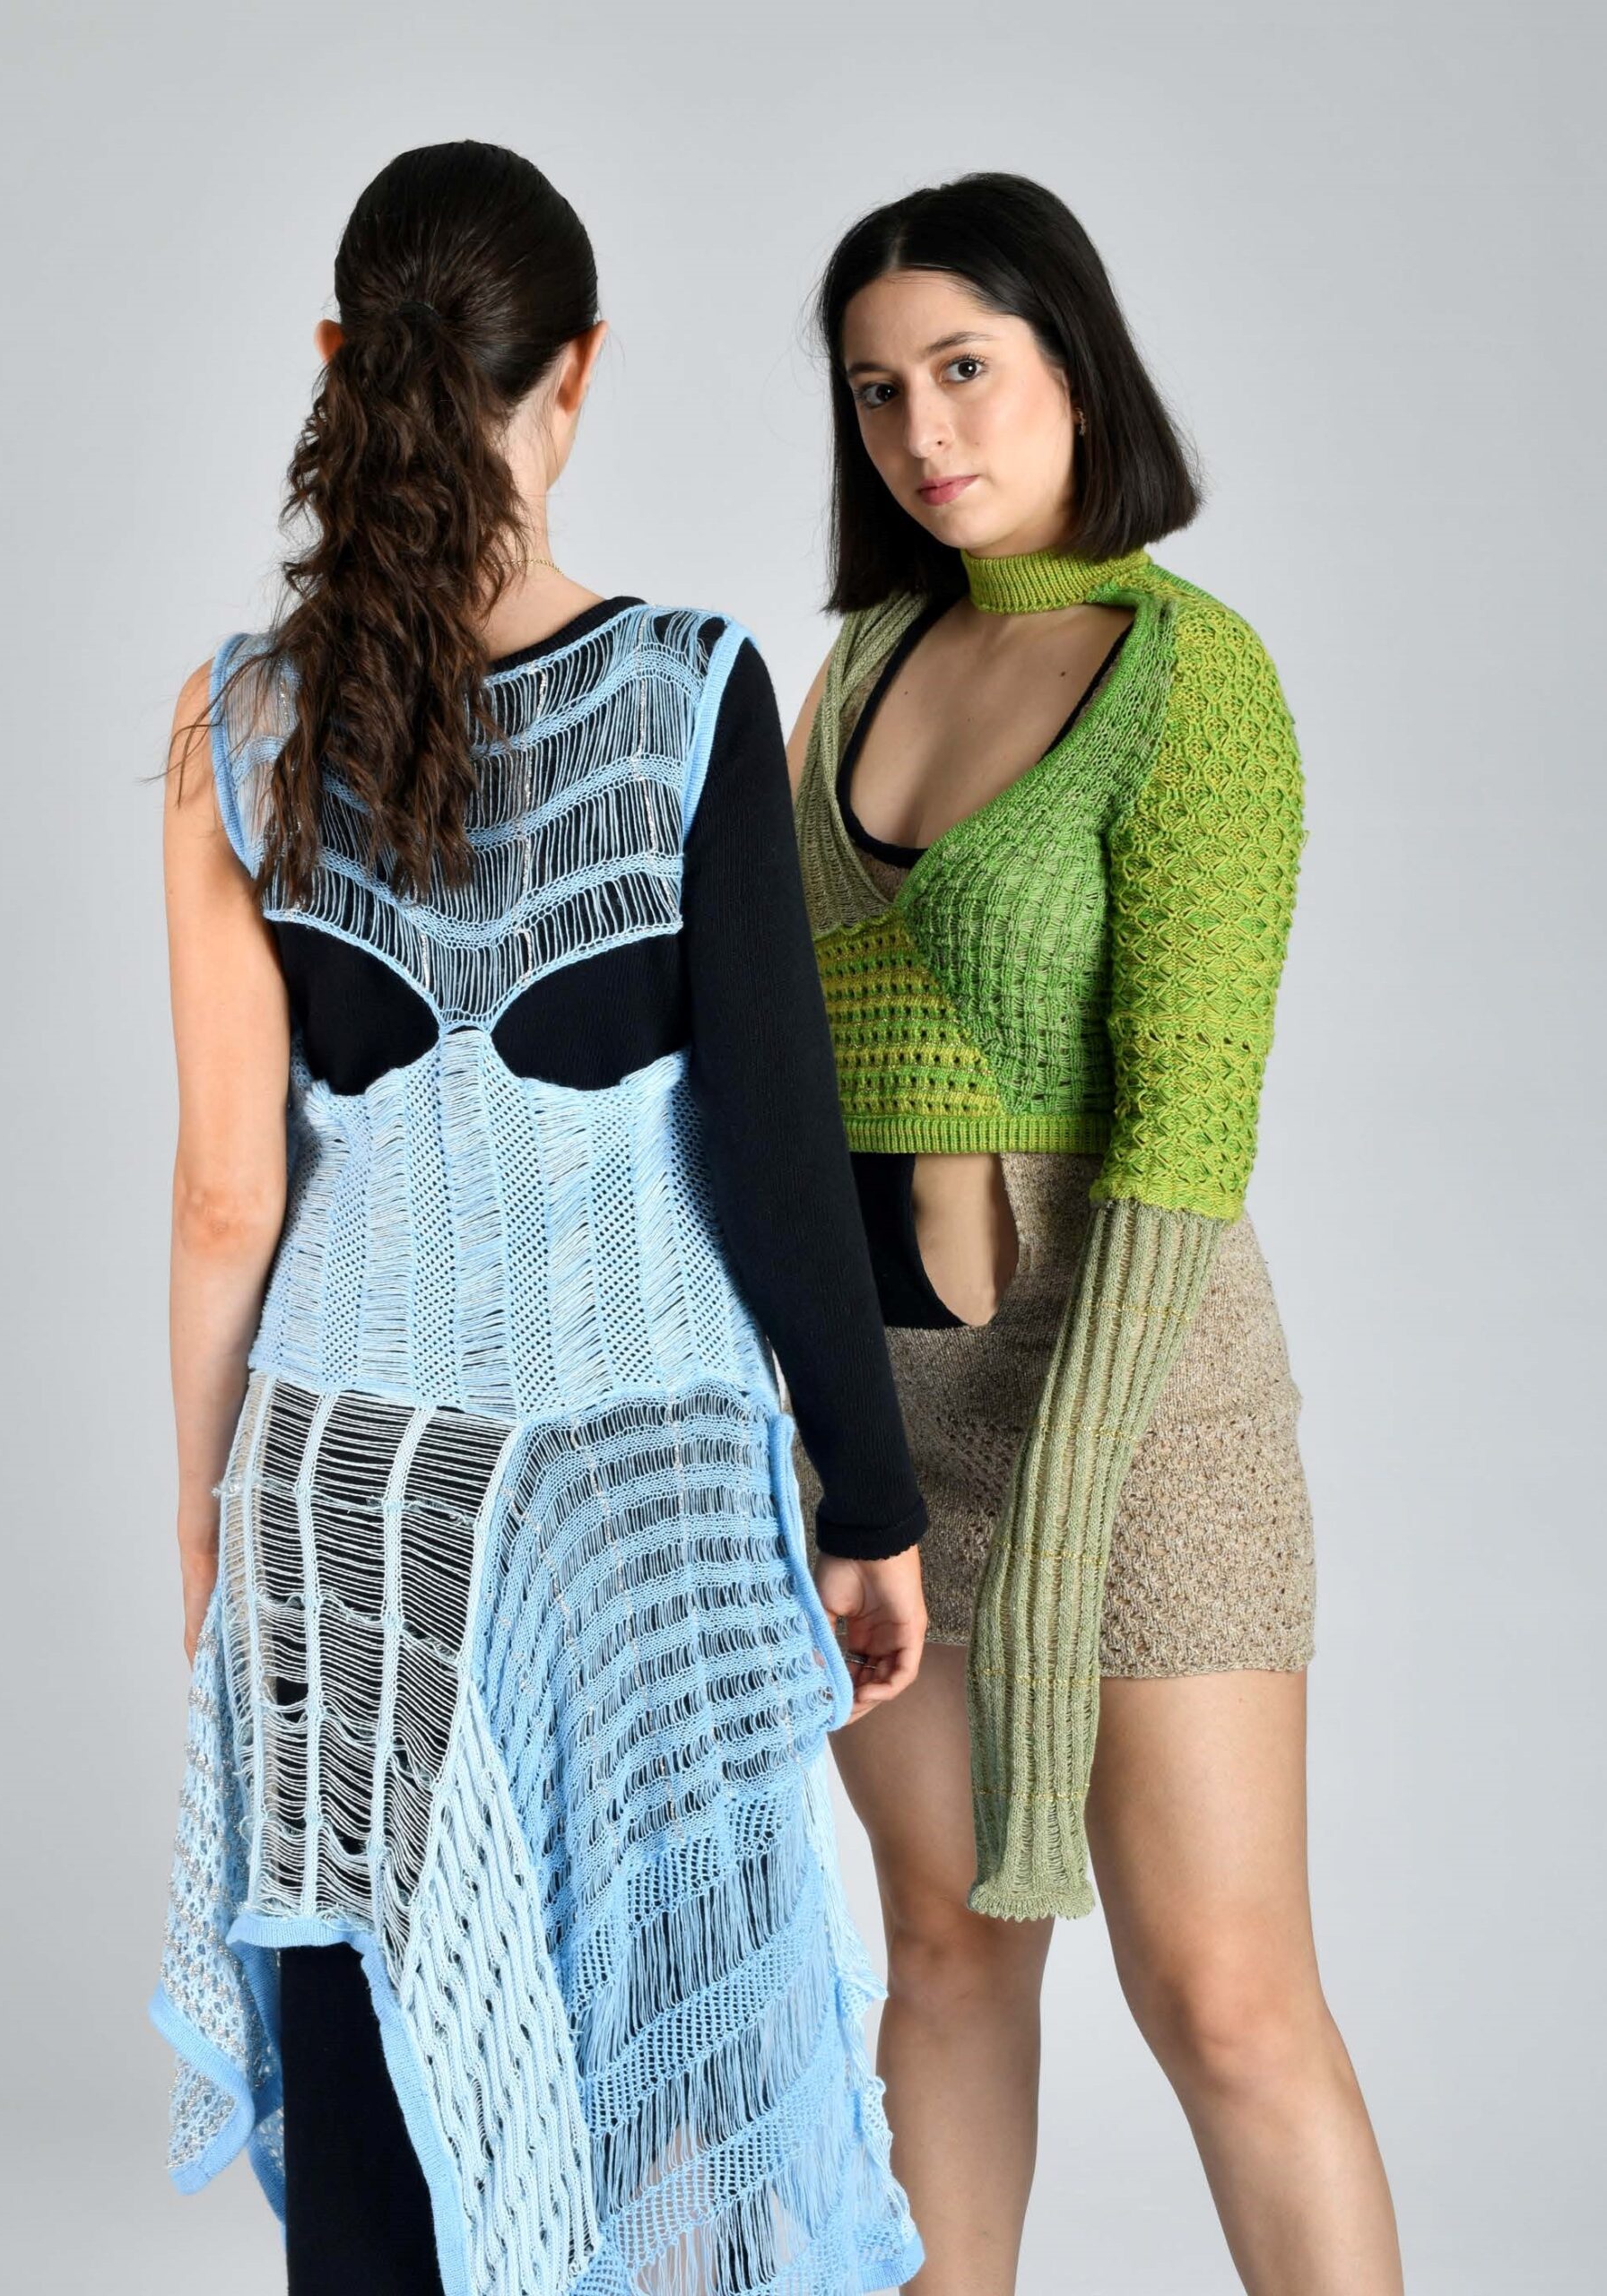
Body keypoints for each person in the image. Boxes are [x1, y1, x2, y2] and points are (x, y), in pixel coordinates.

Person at [150, 140, 928, 2296]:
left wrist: (211, 1521)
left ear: (339, 359)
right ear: (574, 373)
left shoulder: (240, 717)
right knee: (675, 2064)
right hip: (638, 1492)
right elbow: (771, 1135)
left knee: (380, 2057)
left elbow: (225, 1190)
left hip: (347, 1490)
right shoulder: (689, 687)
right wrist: (868, 1500)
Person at [786, 173, 1403, 2292]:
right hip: (882, 1433)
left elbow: (1181, 1138)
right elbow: (777, 1068)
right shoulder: (862, 659)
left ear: (1075, 365)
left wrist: (1061, 1502)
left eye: (964, 366)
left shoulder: (1186, 676)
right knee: (944, 1952)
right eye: (877, 391)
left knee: (1224, 2000)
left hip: (1132, 1420)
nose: (923, 428)